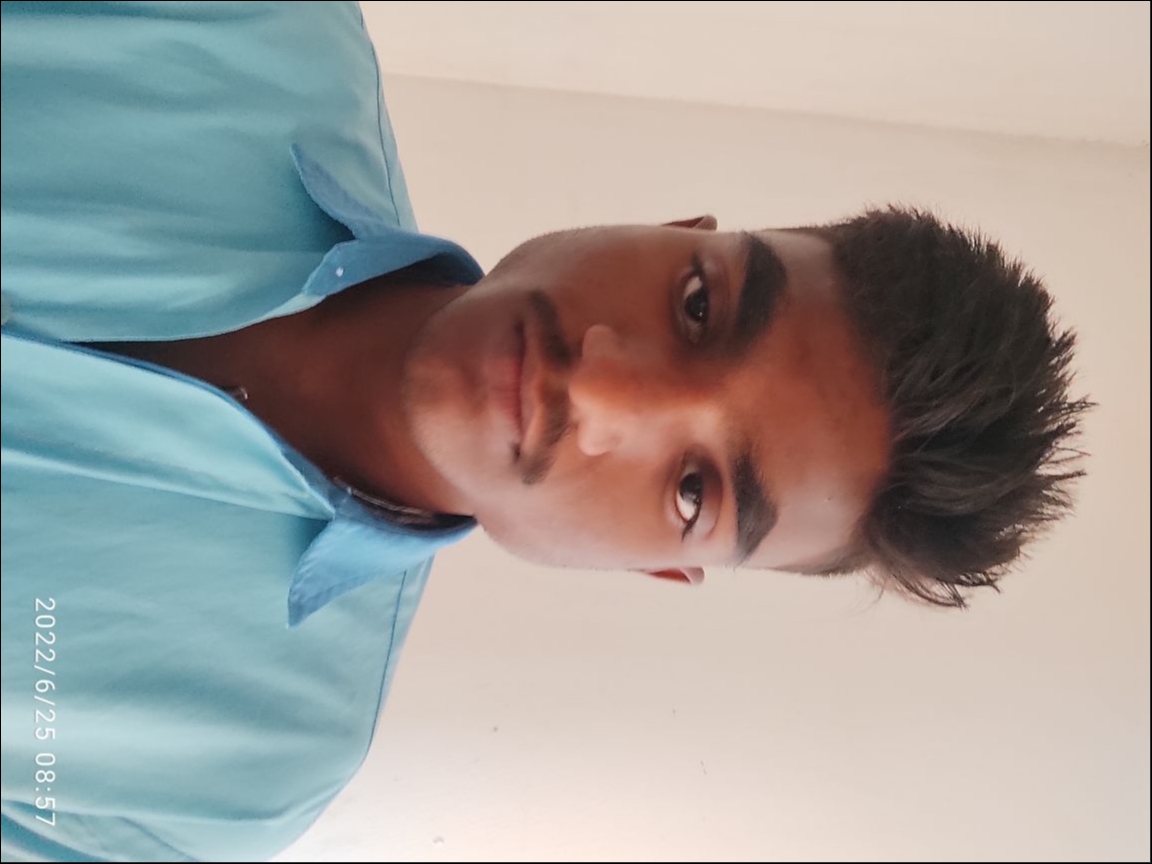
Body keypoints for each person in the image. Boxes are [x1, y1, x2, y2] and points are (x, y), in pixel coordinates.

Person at [0, 2, 1089, 861]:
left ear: (657, 567)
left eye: (696, 490)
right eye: (698, 307)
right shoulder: (246, 28)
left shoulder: (239, 774)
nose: (602, 390)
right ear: (674, 229)